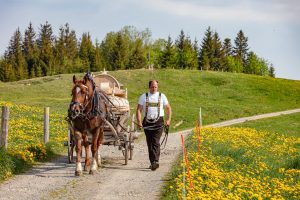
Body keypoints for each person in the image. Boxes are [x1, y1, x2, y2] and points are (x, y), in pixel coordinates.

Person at [136, 80, 172, 171]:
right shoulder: (143, 97)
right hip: (147, 122)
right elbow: (139, 110)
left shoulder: (162, 96)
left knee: (155, 141)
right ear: (149, 87)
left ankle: (156, 161)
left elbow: (168, 108)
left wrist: (168, 120)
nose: (154, 88)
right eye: (152, 86)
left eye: (156, 86)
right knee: (149, 143)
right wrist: (139, 122)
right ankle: (152, 162)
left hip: (159, 122)